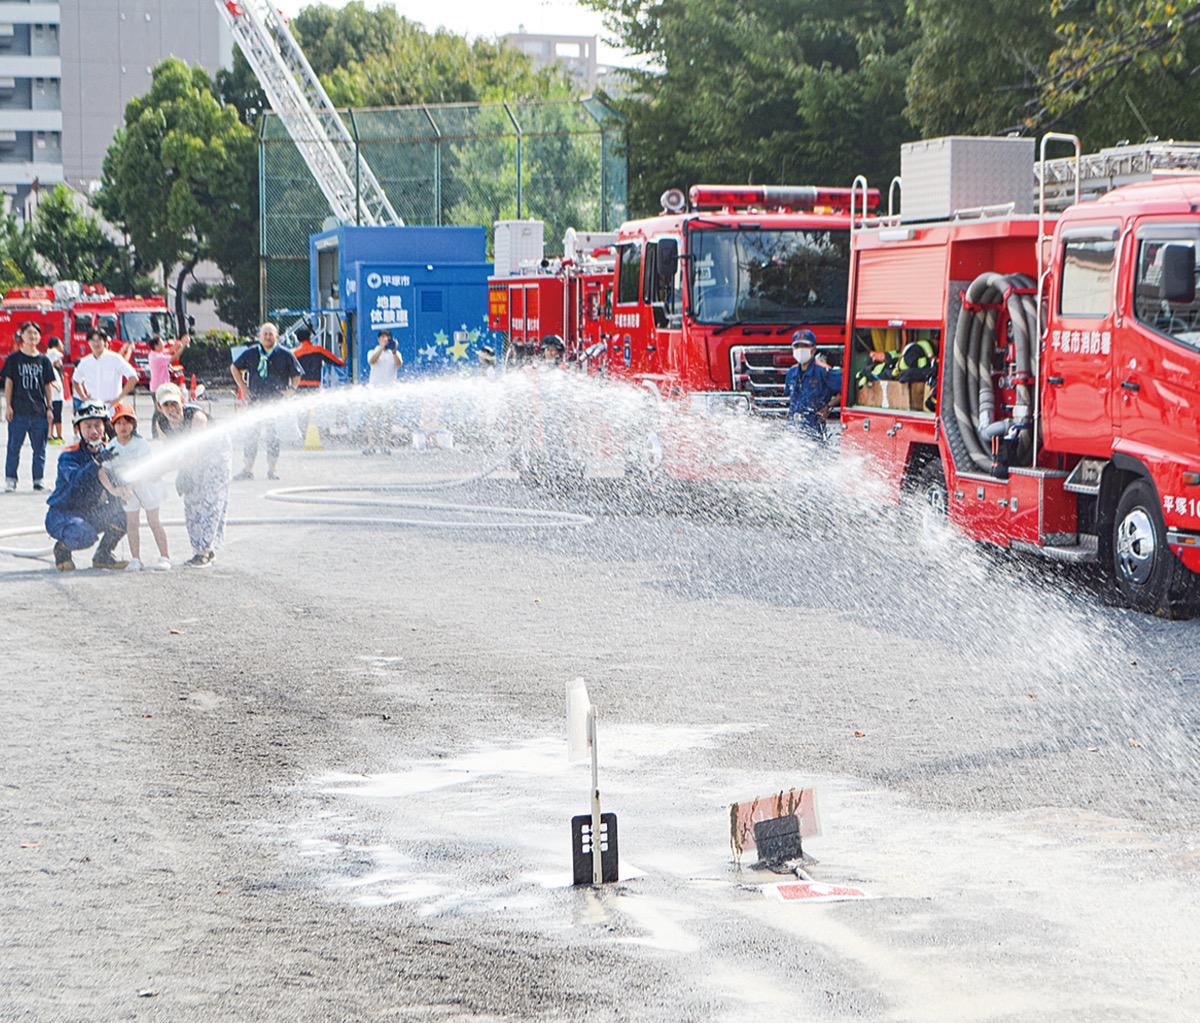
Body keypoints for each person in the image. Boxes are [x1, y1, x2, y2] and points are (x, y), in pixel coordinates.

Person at [44, 401, 129, 571]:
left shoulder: (109, 451)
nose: (94, 431)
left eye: (98, 425)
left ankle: (103, 555)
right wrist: (96, 462)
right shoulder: (69, 455)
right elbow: (77, 481)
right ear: (78, 429)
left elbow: (117, 480)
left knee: (124, 516)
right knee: (83, 534)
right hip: (62, 514)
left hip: (89, 512)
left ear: (105, 426)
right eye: (88, 426)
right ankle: (62, 550)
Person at [156, 382, 230, 569]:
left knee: (211, 500)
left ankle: (204, 552)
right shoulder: (162, 424)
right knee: (192, 502)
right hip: (190, 460)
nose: (172, 409)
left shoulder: (197, 417)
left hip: (216, 456)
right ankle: (199, 549)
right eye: (166, 405)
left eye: (175, 403)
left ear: (182, 401)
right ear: (159, 407)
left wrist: (164, 471)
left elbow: (197, 452)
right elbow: (170, 452)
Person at [229, 322, 301, 480]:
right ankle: (248, 469)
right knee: (251, 435)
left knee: (273, 436)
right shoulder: (251, 353)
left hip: (275, 400)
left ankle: (272, 469)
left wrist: (292, 389)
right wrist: (243, 387)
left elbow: (297, 373)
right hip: (255, 399)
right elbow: (234, 368)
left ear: (276, 336)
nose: (268, 337)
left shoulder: (285, 353)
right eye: (265, 334)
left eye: (271, 334)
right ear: (260, 336)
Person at [106, 401, 171, 572]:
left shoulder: (140, 443)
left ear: (133, 424)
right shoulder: (111, 445)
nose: (123, 427)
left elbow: (142, 469)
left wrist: (129, 487)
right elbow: (103, 471)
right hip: (127, 490)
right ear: (113, 425)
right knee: (132, 522)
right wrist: (115, 490)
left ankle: (165, 556)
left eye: (127, 422)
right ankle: (135, 558)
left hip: (146, 486)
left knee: (153, 520)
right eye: (119, 423)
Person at [2, 321, 56, 492]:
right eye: (29, 333)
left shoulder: (44, 360)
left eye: (35, 333)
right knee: (13, 448)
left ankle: (38, 480)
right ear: (22, 336)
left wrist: (50, 408)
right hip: (18, 412)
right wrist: (8, 406)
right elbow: (9, 385)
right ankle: (11, 479)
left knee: (39, 449)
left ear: (39, 337)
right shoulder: (13, 359)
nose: (32, 336)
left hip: (39, 412)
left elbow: (48, 386)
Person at [783, 329, 842, 441]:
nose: (800, 350)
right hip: (794, 428)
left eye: (805, 346)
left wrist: (828, 406)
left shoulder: (823, 371)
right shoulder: (791, 373)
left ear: (813, 349)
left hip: (815, 431)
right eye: (797, 346)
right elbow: (791, 398)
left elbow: (846, 390)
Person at [71, 328, 138, 410]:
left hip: (113, 408)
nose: (96, 343)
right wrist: (83, 397)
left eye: (99, 340)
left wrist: (119, 398)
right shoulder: (84, 362)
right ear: (88, 342)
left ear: (105, 342)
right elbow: (76, 380)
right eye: (93, 340)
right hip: (93, 408)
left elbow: (133, 377)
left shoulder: (115, 359)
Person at [364, 329, 402, 455]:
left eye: (387, 338)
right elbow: (372, 361)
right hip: (374, 392)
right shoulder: (373, 351)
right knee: (371, 420)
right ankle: (371, 445)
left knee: (388, 420)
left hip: (389, 392)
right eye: (382, 338)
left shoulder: (395, 353)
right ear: (379, 339)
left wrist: (394, 351)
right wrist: (381, 349)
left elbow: (399, 364)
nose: (385, 340)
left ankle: (386, 445)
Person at [45, 336, 65, 444]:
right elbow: (59, 355)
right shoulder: (53, 353)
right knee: (57, 415)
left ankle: (50, 435)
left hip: (52, 395)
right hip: (56, 395)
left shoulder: (52, 369)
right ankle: (59, 436)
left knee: (51, 415)